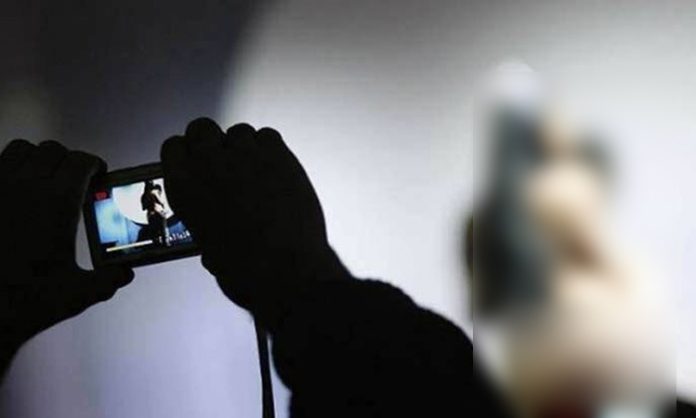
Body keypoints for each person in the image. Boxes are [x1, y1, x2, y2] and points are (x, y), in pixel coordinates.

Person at [140, 179, 170, 246]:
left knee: (155, 235)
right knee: (163, 233)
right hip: (158, 213)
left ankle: (159, 246)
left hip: (151, 215)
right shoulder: (153, 192)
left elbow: (143, 208)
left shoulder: (143, 196)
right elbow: (161, 202)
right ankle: (165, 246)